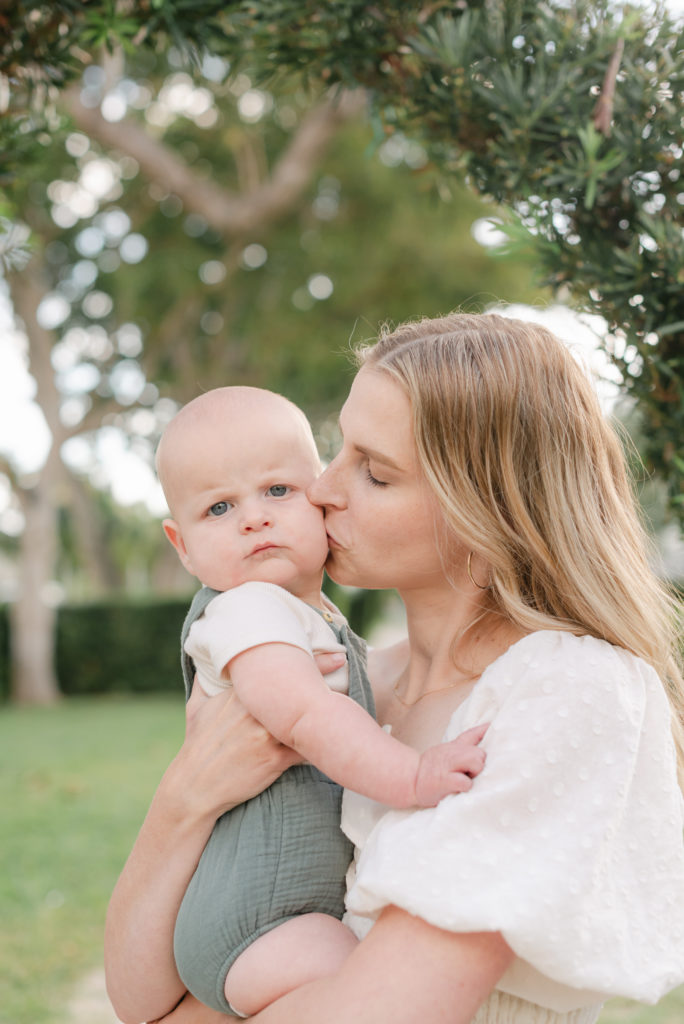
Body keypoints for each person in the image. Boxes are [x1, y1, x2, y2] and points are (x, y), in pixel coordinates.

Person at [105, 312, 684, 1024]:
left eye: (374, 472)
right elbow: (140, 1000)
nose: (322, 490)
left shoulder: (568, 692)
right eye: (337, 451)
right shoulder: (338, 682)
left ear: (484, 508)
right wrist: (181, 802)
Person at [154, 386, 488, 1018]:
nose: (253, 518)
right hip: (258, 920)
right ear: (183, 545)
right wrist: (412, 773)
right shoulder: (247, 613)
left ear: (320, 498)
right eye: (219, 507)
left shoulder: (313, 618)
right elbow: (308, 716)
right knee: (370, 985)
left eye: (277, 491)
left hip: (282, 910)